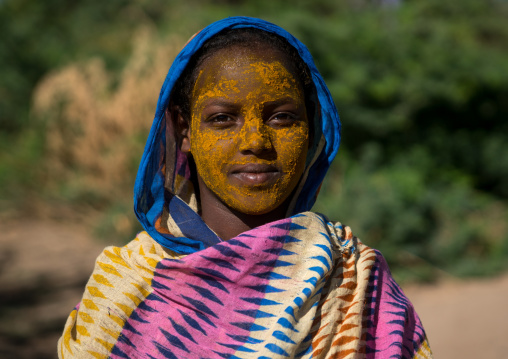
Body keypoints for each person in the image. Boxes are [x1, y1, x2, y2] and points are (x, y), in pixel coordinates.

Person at [58, 17, 432, 358]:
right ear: (185, 131)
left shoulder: (356, 281)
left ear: (311, 127)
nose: (256, 141)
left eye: (282, 117)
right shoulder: (125, 287)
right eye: (223, 118)